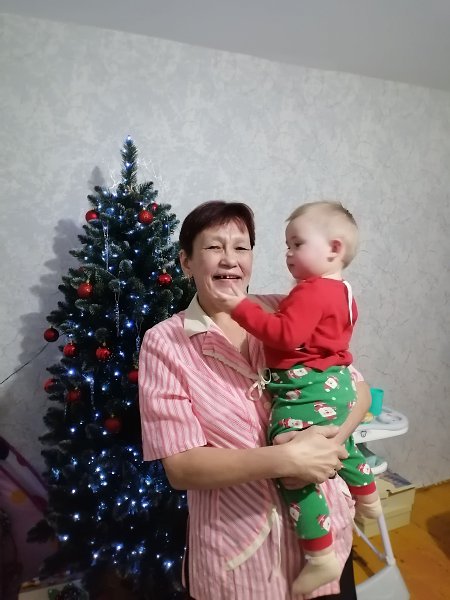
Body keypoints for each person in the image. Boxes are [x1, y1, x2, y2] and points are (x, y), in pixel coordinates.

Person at [138, 200, 369, 600]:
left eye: (241, 247)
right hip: (240, 560)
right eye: (214, 247)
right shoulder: (164, 343)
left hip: (328, 540)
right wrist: (287, 459)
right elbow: (181, 468)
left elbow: (357, 390)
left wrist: (327, 445)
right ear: (186, 261)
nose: (230, 259)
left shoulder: (286, 309)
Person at [212, 201, 381, 595]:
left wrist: (240, 307)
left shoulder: (312, 291)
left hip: (306, 389)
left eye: (298, 244)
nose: (288, 254)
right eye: (287, 246)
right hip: (336, 385)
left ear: (334, 249)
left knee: (290, 460)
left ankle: (320, 555)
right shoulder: (344, 292)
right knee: (338, 441)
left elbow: (285, 335)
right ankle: (368, 493)